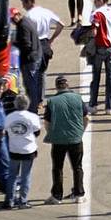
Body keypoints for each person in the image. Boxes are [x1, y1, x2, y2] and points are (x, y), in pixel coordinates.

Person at [44, 74, 89, 202]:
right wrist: (80, 132)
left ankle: (57, 195)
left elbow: (47, 123)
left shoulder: (52, 101)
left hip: (58, 140)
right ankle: (79, 194)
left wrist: (52, 134)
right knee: (77, 167)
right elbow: (86, 118)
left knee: (57, 167)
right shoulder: (77, 98)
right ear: (67, 86)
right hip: (75, 138)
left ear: (56, 87)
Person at [88, 0, 111, 114]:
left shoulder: (96, 14)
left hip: (99, 48)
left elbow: (94, 31)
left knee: (96, 77)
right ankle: (109, 107)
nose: (95, 3)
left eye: (96, 1)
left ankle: (93, 104)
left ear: (101, 1)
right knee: (110, 78)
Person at [4, 94, 41, 208]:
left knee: (12, 175)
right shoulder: (32, 117)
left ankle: (9, 201)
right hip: (28, 150)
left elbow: (6, 131)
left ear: (15, 104)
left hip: (14, 149)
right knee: (26, 175)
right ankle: (23, 200)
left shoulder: (9, 117)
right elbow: (37, 132)